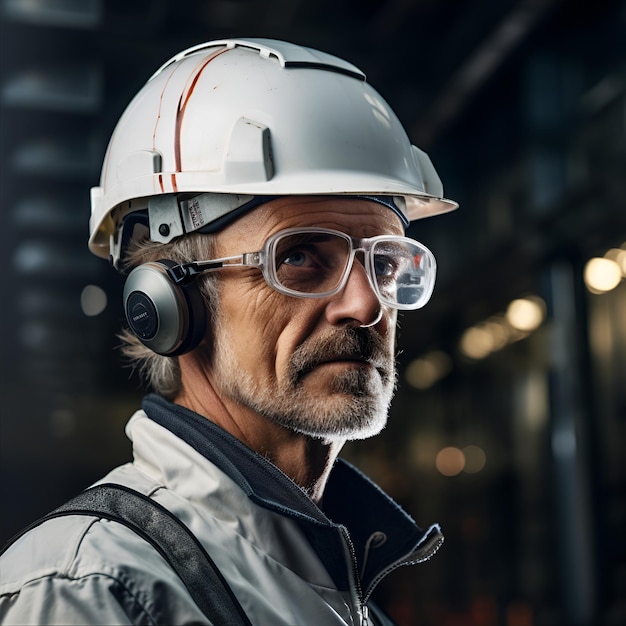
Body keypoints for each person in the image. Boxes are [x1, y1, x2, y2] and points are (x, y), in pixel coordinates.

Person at [0, 38, 457, 625]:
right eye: (299, 258)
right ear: (168, 301)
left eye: (386, 264)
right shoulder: (90, 592)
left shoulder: (342, 593)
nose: (366, 304)